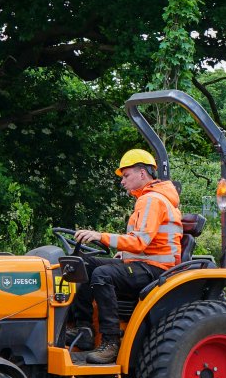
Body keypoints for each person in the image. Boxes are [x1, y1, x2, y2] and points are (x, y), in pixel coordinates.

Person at [68, 149, 184, 363]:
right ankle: (83, 330)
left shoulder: (152, 200)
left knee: (103, 274)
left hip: (156, 270)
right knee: (83, 263)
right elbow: (145, 240)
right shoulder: (148, 200)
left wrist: (99, 236)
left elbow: (140, 241)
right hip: (142, 261)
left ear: (142, 173)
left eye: (126, 175)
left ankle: (111, 342)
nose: (122, 181)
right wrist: (126, 250)